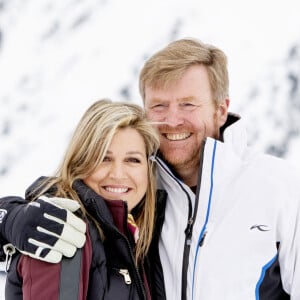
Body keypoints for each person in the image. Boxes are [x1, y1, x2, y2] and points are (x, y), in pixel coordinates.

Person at [1, 38, 300, 300]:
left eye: (188, 104)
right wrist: (11, 218)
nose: (172, 120)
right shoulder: (141, 188)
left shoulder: (279, 188)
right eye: (159, 106)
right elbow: (70, 188)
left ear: (221, 109)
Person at [3, 99, 167, 299]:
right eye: (104, 158)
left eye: (133, 160)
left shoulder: (139, 238)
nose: (117, 173)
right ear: (80, 162)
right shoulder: (62, 230)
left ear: (148, 171)